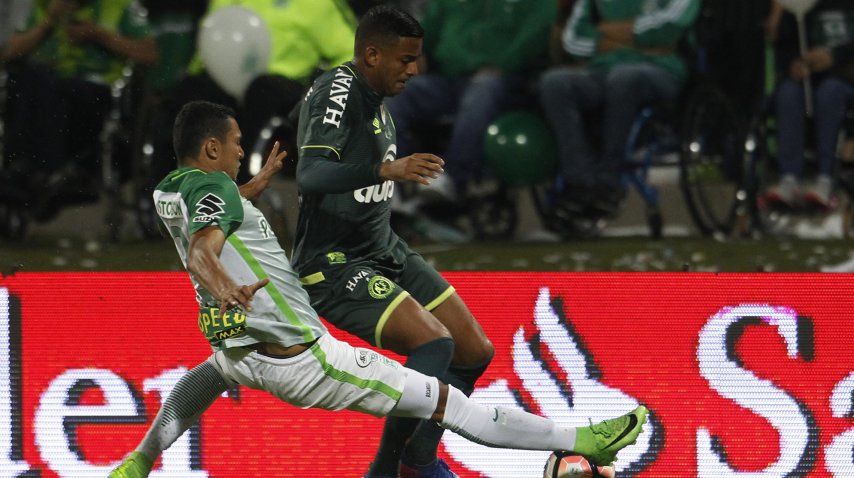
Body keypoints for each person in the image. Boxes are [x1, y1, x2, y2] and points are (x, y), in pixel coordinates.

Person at [107, 100, 649, 477]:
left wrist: (252, 186)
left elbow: (213, 211)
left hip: (237, 352)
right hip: (301, 360)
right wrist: (224, 286)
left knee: (200, 383)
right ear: (208, 149)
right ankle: (577, 441)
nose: (237, 153)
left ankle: (138, 463)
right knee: (450, 405)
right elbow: (204, 248)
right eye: (233, 146)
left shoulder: (170, 191)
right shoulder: (211, 192)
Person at [292, 5, 532, 476]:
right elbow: (312, 173)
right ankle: (388, 470)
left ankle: (417, 455)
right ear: (371, 54)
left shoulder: (374, 94)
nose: (414, 69)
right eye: (404, 60)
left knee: (473, 351)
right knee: (434, 344)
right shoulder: (339, 90)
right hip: (334, 263)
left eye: (417, 58)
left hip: (384, 249)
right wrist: (385, 169)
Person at [538, 0, 699, 218]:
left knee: (624, 79)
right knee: (554, 82)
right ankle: (580, 181)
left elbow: (671, 26)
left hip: (661, 69)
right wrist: (633, 39)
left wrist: (606, 32)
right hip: (603, 70)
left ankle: (609, 180)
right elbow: (573, 40)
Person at [383, 0, 555, 204]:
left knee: (483, 87)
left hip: (507, 82)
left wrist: (503, 64)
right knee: (398, 91)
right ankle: (391, 185)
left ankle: (452, 178)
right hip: (449, 80)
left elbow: (536, 35)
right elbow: (423, 35)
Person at [1, 0, 157, 218]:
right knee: (24, 80)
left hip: (94, 92)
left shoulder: (119, 6)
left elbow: (149, 54)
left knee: (62, 89)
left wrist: (99, 36)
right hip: (42, 90)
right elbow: (9, 52)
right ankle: (25, 168)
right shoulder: (45, 7)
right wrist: (48, 22)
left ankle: (47, 169)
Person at [170, 0, 357, 181]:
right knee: (187, 92)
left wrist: (325, 89)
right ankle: (164, 187)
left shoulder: (317, 4)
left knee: (260, 90)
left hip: (283, 86)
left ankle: (240, 187)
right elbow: (211, 40)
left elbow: (349, 51)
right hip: (226, 81)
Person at [764, 0, 854, 211]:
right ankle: (789, 178)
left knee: (829, 92)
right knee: (788, 93)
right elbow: (786, 45)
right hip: (807, 82)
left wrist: (835, 57)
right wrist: (795, 65)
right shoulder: (804, 9)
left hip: (844, 81)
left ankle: (825, 177)